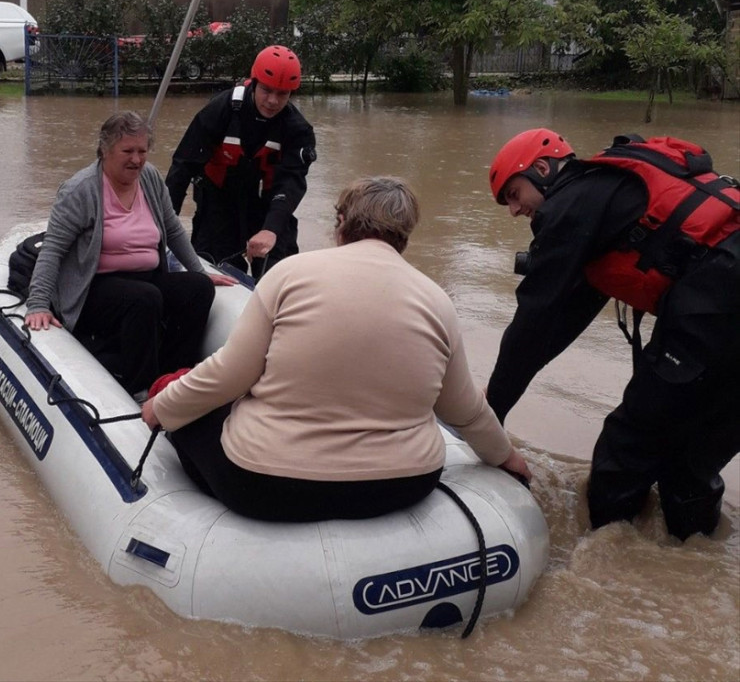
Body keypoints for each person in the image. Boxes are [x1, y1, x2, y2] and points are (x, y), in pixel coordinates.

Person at [141, 176, 532, 522]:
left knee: (191, 417)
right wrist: (506, 457)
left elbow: (228, 377)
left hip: (266, 484)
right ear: (405, 235)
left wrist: (163, 407)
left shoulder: (290, 275)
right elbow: (464, 409)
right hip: (402, 484)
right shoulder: (436, 301)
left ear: (341, 224)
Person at [486, 128, 740, 540]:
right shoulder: (606, 196)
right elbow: (562, 322)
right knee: (690, 465)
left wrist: (489, 414)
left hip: (717, 303)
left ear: (541, 168)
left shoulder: (568, 206)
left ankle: (607, 556)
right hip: (721, 305)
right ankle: (685, 568)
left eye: (514, 194)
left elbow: (533, 321)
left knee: (626, 446)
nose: (513, 210)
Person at [25, 111, 236, 397]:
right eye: (127, 151)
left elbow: (172, 229)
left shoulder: (148, 177)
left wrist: (200, 271)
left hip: (147, 276)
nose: (136, 159)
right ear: (105, 150)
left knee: (196, 289)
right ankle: (140, 387)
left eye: (142, 151)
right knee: (144, 299)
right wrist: (38, 303)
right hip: (95, 287)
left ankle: (176, 375)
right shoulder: (80, 190)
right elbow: (53, 250)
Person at [165, 45, 317, 276]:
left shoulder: (298, 130)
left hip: (268, 207)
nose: (273, 101)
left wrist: (271, 229)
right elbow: (183, 166)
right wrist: (164, 220)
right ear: (254, 82)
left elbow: (291, 183)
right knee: (212, 268)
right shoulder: (221, 110)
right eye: (267, 90)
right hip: (218, 203)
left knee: (281, 271)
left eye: (282, 93)